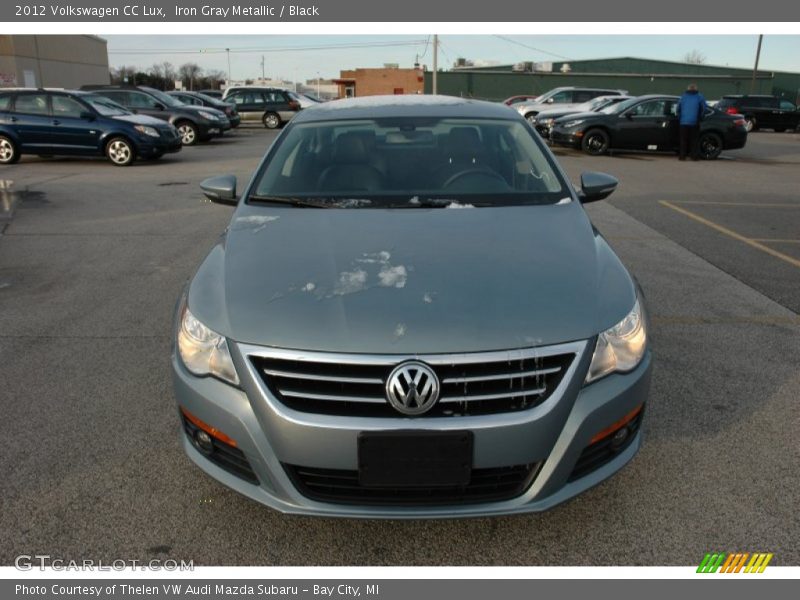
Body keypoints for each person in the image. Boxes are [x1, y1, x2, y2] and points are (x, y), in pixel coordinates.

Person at [676, 83, 708, 160]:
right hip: (694, 122)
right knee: (694, 140)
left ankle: (682, 156)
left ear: (688, 89)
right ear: (696, 89)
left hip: (683, 122)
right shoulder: (700, 97)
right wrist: (701, 118)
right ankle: (694, 156)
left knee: (683, 140)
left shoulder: (683, 96)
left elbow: (678, 109)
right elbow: (704, 109)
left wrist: (680, 118)